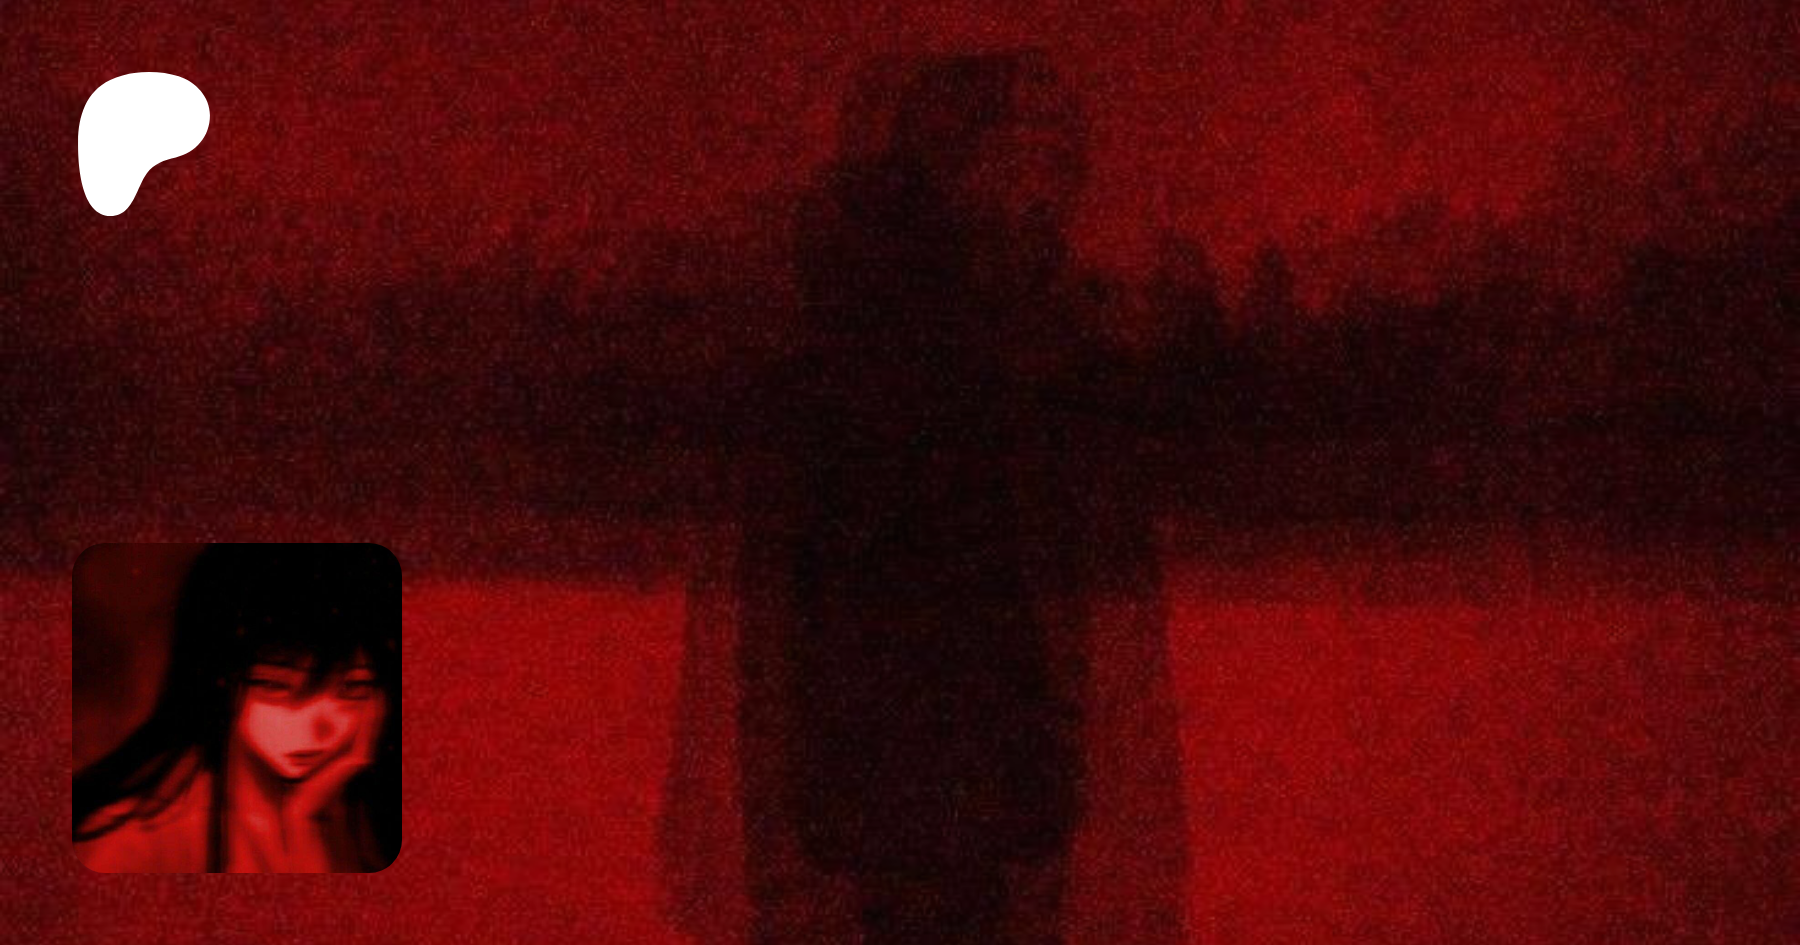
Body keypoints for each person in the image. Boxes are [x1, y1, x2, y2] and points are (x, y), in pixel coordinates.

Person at [662, 50, 1189, 945]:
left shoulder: (1019, 367)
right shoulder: (921, 377)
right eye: (1017, 161)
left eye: (1057, 162)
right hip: (915, 808)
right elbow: (795, 638)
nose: (1048, 192)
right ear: (950, 172)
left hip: (938, 807)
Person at [73, 543, 400, 873]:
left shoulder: (372, 828)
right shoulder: (136, 842)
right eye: (275, 686)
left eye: (353, 689)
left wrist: (304, 825)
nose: (319, 726)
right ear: (219, 676)